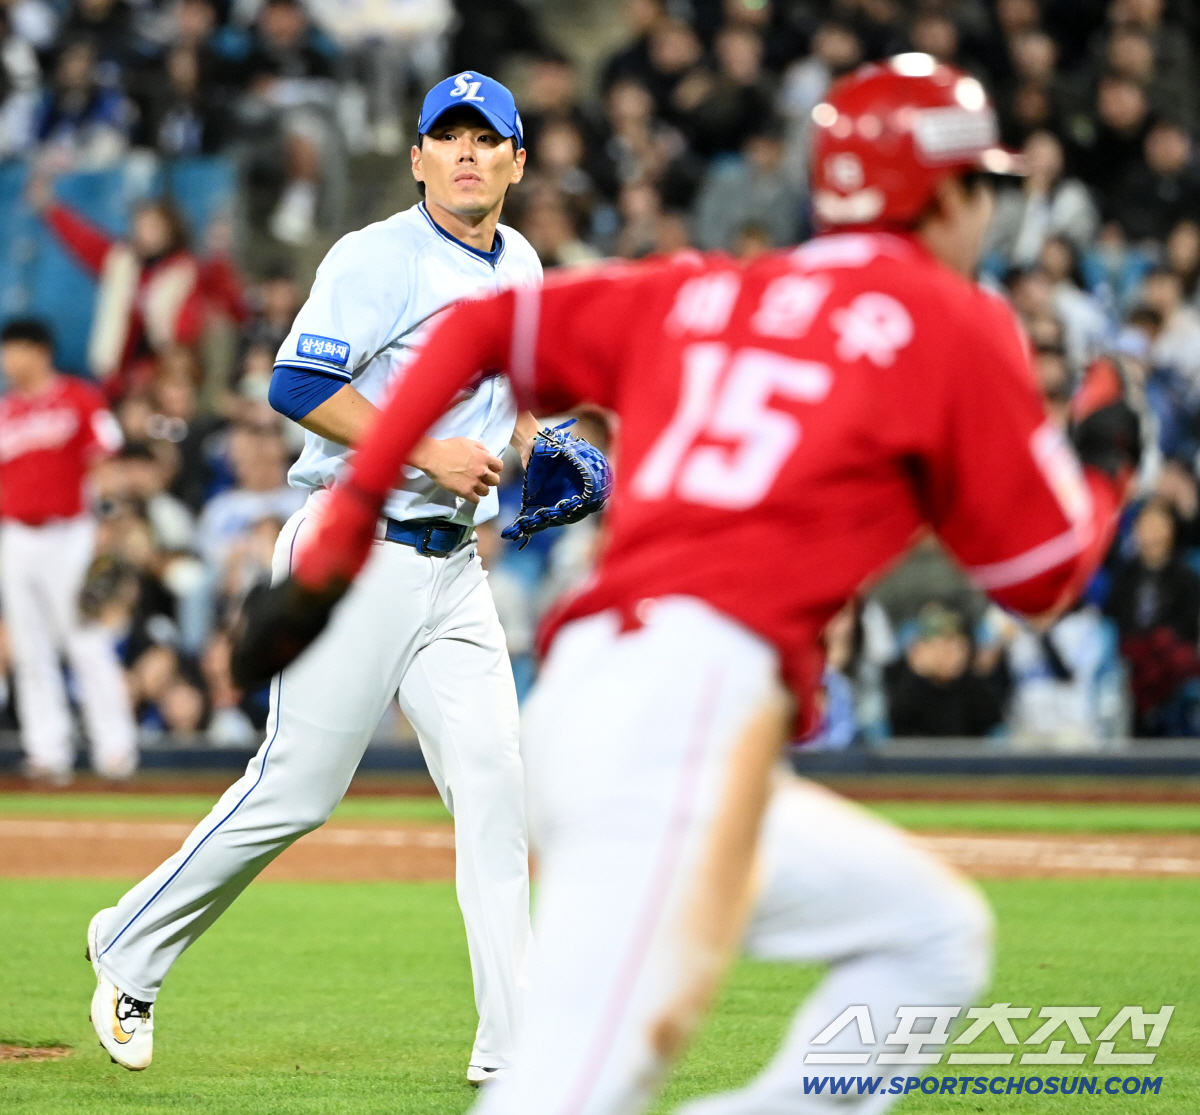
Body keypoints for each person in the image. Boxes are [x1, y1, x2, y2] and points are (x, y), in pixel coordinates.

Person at [246, 57, 1140, 1114]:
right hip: (679, 717)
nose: (989, 208)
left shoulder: (707, 287)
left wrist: (346, 528)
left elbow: (478, 337)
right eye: (981, 184)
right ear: (943, 194)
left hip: (617, 698)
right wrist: (1107, 468)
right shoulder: (953, 318)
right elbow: (1042, 579)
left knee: (932, 937)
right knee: (568, 1096)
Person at [84, 71, 545, 1084]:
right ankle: (129, 944)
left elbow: (504, 385)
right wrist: (424, 449)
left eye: (486, 138)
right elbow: (295, 380)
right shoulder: (378, 256)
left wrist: (537, 439)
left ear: (517, 160)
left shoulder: (520, 260)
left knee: (496, 790)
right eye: (449, 137)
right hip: (356, 547)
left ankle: (517, 1051)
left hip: (452, 568)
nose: (467, 153)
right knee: (296, 787)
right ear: (418, 157)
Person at [0, 318, 136, 784]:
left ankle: (115, 750)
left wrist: (108, 523)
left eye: (16, 349)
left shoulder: (79, 398)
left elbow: (106, 462)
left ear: (41, 351)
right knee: (29, 648)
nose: (9, 360)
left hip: (71, 533)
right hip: (17, 536)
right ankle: (47, 752)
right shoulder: (5, 410)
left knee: (86, 640)